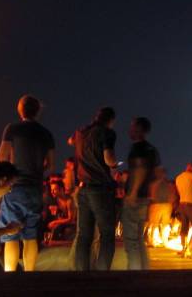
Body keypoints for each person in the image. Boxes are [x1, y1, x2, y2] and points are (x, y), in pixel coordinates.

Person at [0, 95, 55, 272]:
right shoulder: (46, 134)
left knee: (11, 235)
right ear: (38, 111)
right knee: (30, 236)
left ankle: (10, 277)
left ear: (20, 109)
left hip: (14, 188)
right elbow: (51, 167)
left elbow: (1, 158)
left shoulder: (12, 129)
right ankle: (29, 275)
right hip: (35, 189)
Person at [74, 107, 120, 271]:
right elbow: (109, 159)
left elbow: (71, 142)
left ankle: (81, 274)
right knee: (107, 234)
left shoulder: (81, 132)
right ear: (111, 120)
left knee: (84, 235)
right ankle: (101, 277)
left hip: (83, 188)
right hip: (100, 188)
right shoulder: (107, 133)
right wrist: (115, 165)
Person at [122, 117, 160, 270]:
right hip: (145, 197)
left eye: (132, 127)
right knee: (139, 239)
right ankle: (144, 271)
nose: (129, 130)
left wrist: (133, 192)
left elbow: (140, 169)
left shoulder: (138, 148)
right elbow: (156, 173)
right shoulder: (152, 149)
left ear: (138, 129)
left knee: (131, 241)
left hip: (136, 197)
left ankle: (134, 273)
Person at [175, 162, 192, 257]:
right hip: (190, 204)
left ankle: (183, 250)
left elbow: (178, 192)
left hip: (181, 204)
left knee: (184, 227)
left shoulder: (178, 177)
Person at [147, 166, 174, 248]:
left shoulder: (154, 184)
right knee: (161, 224)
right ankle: (161, 241)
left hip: (158, 205)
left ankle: (154, 241)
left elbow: (152, 195)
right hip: (164, 205)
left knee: (155, 224)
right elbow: (171, 194)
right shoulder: (167, 183)